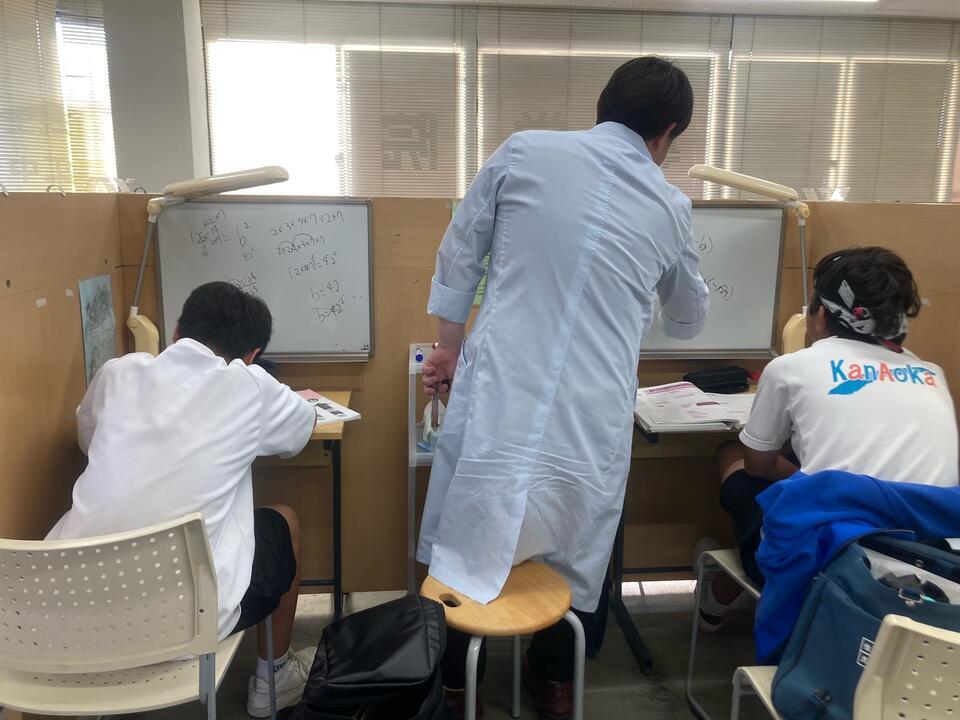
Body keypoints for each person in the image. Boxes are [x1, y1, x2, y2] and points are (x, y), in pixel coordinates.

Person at [418, 56, 710, 719]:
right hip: (592, 407)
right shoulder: (670, 206)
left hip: (500, 391)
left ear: (604, 105)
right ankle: (554, 684)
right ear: (667, 133)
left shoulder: (525, 151)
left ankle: (456, 686)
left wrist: (448, 347)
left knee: (466, 533)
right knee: (574, 547)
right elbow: (689, 320)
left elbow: (461, 252)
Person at [47, 281, 318, 717]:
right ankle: (275, 678)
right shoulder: (249, 384)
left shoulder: (117, 374)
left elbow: (88, 439)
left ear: (175, 332)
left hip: (60, 617)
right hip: (185, 625)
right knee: (284, 520)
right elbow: (300, 431)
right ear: (251, 355)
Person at [700, 246, 959, 631]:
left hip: (833, 563)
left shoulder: (790, 367)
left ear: (820, 315)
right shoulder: (931, 373)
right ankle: (722, 589)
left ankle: (718, 593)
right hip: (933, 561)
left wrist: (816, 479)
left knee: (737, 463)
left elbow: (758, 465)